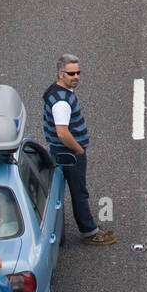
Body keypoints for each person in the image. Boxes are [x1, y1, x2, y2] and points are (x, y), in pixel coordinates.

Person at [42, 55, 117, 246]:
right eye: (71, 73)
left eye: (78, 72)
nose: (76, 76)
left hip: (60, 152)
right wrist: (79, 150)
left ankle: (60, 229)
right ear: (60, 74)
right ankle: (89, 232)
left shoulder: (57, 91)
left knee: (57, 191)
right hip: (69, 154)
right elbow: (62, 133)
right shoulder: (62, 102)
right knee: (79, 192)